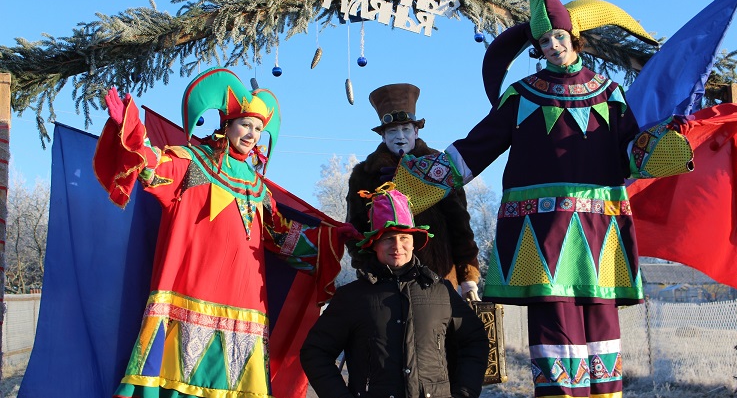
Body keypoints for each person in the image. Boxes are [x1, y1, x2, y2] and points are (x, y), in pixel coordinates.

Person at [391, 0, 694, 398]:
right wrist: (414, 186)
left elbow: (630, 152)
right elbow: (478, 146)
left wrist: (661, 146)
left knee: (601, 319)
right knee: (553, 320)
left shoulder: (609, 93)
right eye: (544, 42)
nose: (552, 46)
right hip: (542, 228)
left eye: (558, 37)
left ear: (574, 38)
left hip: (599, 226)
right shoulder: (523, 94)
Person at [93, 67, 357, 398]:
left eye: (258, 129)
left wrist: (332, 237)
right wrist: (129, 129)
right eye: (245, 124)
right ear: (227, 124)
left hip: (245, 304)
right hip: (190, 292)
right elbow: (151, 167)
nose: (252, 134)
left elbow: (281, 235)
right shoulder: (192, 163)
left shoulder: (257, 188)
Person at [301, 184, 489, 398]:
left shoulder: (442, 292)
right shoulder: (351, 297)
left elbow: (475, 341)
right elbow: (315, 352)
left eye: (404, 238)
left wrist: (464, 392)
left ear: (414, 243)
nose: (397, 246)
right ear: (374, 244)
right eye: (388, 238)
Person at [346, 83, 481, 299]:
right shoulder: (365, 175)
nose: (400, 136)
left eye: (406, 129)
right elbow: (355, 230)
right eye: (392, 130)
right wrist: (367, 270)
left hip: (438, 279)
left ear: (416, 131)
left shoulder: (441, 167)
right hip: (385, 283)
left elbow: (461, 226)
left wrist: (468, 279)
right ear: (383, 136)